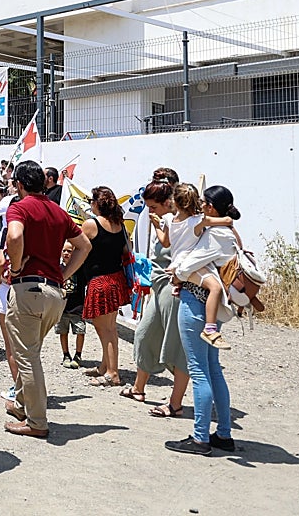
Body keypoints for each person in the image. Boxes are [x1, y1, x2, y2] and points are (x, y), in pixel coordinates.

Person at [2, 160, 91, 438]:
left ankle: (37, 421)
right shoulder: (58, 211)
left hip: (28, 289)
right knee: (29, 351)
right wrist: (63, 273)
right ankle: (21, 405)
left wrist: (16, 267)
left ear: (19, 184)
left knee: (27, 356)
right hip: (54, 293)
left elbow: (14, 236)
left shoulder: (19, 207)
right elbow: (84, 245)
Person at [165, 183, 243, 456]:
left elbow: (186, 266)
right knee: (213, 369)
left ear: (209, 206)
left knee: (199, 371)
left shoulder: (216, 235)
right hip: (212, 305)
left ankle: (200, 438)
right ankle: (223, 433)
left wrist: (177, 275)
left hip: (195, 301)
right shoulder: (225, 232)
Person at [121, 169, 190, 417]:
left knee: (176, 345)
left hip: (175, 287)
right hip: (158, 284)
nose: (150, 211)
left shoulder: (181, 220)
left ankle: (175, 403)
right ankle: (138, 388)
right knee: (144, 333)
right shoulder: (164, 219)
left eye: (153, 206)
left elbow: (170, 244)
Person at [154, 184, 235, 349]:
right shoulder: (197, 222)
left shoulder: (168, 219)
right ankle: (210, 329)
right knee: (215, 288)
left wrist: (156, 226)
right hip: (189, 265)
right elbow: (228, 221)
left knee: (211, 286)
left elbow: (165, 242)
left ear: (174, 201)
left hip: (177, 262)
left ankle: (179, 286)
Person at [80, 186, 130, 387]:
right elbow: (126, 250)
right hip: (116, 279)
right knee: (111, 328)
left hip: (99, 282)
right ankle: (105, 366)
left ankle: (112, 373)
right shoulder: (120, 225)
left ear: (96, 203)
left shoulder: (90, 225)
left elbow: (77, 246)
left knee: (104, 329)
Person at [56, 240, 88, 369]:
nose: (66, 253)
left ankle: (78, 355)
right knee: (63, 331)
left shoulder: (80, 268)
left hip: (78, 307)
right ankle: (66, 354)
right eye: (64, 250)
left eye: (69, 251)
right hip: (62, 307)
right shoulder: (57, 269)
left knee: (80, 331)